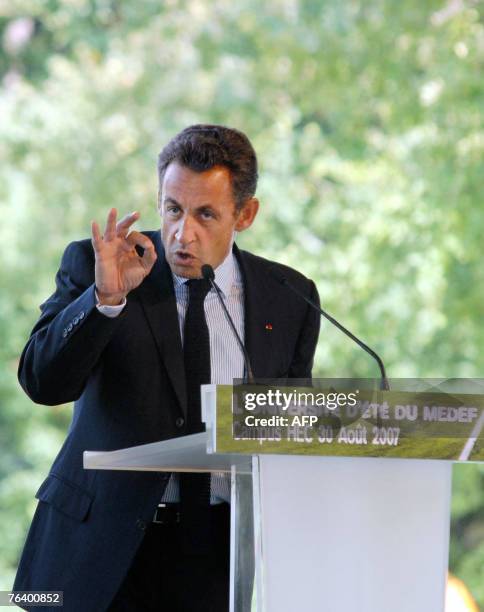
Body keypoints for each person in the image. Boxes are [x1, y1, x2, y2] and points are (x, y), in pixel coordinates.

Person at [13, 124, 321, 611]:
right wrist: (105, 298)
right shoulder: (106, 268)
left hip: (214, 555)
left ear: (245, 214)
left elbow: (290, 431)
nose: (183, 232)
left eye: (205, 215)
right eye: (173, 208)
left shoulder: (289, 297)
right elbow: (42, 383)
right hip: (94, 551)